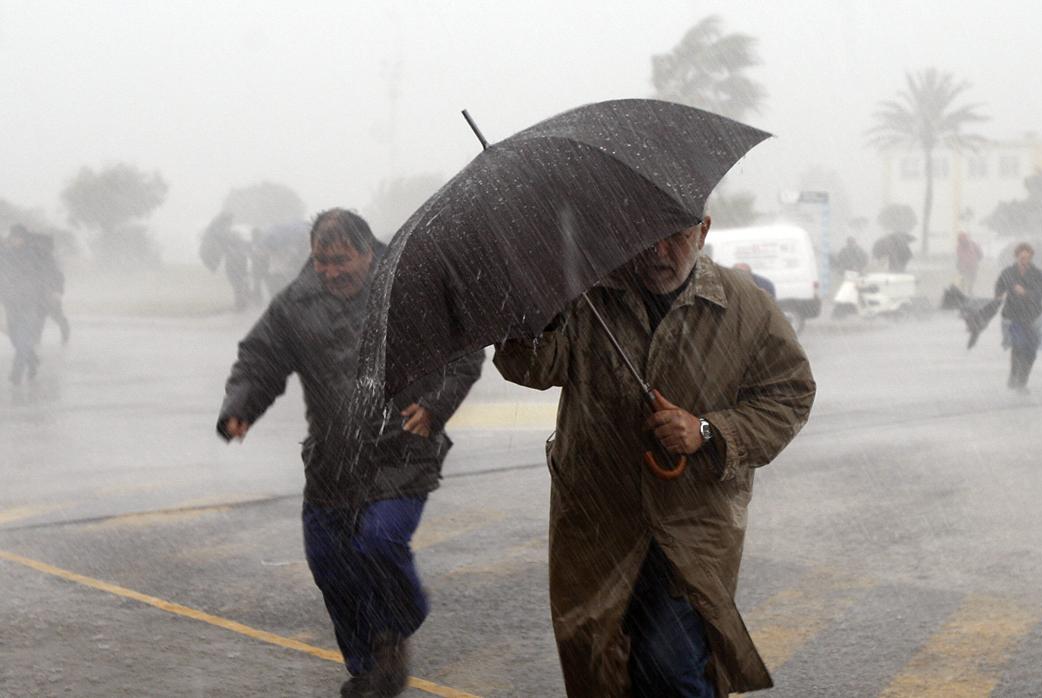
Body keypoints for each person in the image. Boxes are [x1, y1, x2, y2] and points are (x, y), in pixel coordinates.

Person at [494, 214, 816, 696]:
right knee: (601, 664)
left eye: (675, 237)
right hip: (598, 521)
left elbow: (790, 394)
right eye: (644, 236)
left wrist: (707, 429)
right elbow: (531, 365)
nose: (658, 252)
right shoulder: (588, 298)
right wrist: (542, 306)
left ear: (703, 230)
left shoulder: (745, 307)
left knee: (671, 665)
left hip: (690, 525)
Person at [216, 209, 484, 697]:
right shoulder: (296, 302)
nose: (331, 271)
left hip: (402, 451)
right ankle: (367, 669)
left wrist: (435, 403)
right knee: (329, 563)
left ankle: (398, 623)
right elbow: (261, 358)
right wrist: (241, 408)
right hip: (331, 458)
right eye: (321, 261)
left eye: (341, 260)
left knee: (380, 541)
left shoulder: (407, 288)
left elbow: (465, 350)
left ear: (368, 252)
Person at [0, 225, 63, 383]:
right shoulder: (5, 254)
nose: (16, 240)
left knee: (23, 337)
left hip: (31, 301)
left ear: (25, 238)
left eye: (19, 237)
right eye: (14, 237)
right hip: (11, 302)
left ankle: (17, 372)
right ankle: (32, 360)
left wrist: (56, 290)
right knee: (14, 338)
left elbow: (54, 272)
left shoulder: (36, 254)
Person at [994, 242, 1042, 393]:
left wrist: (1026, 293)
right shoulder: (1008, 273)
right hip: (1013, 316)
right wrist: (998, 295)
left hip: (1033, 317)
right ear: (1017, 257)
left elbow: (1041, 293)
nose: (1024, 260)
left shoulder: (1038, 274)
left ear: (1031, 257)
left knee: (1031, 351)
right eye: (1021, 258)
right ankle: (1014, 377)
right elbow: (999, 286)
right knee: (1017, 347)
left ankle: (1022, 381)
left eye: (1027, 258)